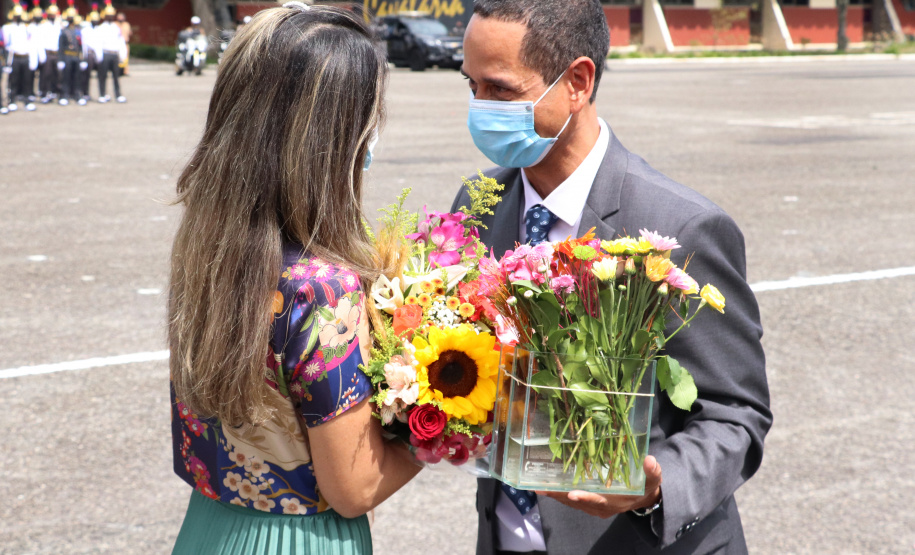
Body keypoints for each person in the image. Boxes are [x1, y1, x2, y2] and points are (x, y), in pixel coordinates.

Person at [451, 1, 772, 553]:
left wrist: (654, 484)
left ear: (577, 81)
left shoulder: (678, 228)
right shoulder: (477, 204)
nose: (481, 107)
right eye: (471, 87)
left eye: (501, 90)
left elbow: (736, 414)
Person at [167, 4, 421, 554]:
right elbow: (353, 486)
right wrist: (445, 429)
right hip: (300, 538)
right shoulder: (323, 290)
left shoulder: (207, 249)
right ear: (335, 138)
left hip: (209, 528)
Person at [3, 3, 38, 112]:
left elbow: (31, 44)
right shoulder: (8, 28)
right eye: (16, 16)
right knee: (13, 80)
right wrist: (7, 63)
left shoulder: (27, 28)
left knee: (27, 80)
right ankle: (12, 100)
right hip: (15, 57)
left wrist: (33, 59)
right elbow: (6, 45)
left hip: (25, 57)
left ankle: (27, 100)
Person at [94, 1, 125, 103]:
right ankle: (102, 94)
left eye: (112, 15)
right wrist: (99, 55)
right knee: (102, 76)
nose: (111, 17)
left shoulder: (116, 27)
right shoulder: (101, 28)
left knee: (116, 76)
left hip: (114, 54)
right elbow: (97, 42)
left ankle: (118, 95)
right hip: (105, 54)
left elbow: (120, 41)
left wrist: (122, 54)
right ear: (105, 16)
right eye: (109, 15)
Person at [37, 0, 61, 104]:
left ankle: (54, 92)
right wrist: (42, 54)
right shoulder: (43, 26)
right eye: (51, 14)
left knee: (56, 74)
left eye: (54, 15)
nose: (52, 16)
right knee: (45, 74)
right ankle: (43, 93)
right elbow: (40, 41)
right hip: (47, 53)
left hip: (56, 53)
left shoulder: (58, 26)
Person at [57, 6, 82, 105]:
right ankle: (64, 95)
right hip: (67, 56)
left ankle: (76, 94)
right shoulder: (63, 31)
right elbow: (61, 46)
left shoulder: (78, 31)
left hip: (76, 56)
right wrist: (60, 59)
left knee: (76, 77)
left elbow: (81, 46)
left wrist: (82, 58)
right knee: (65, 77)